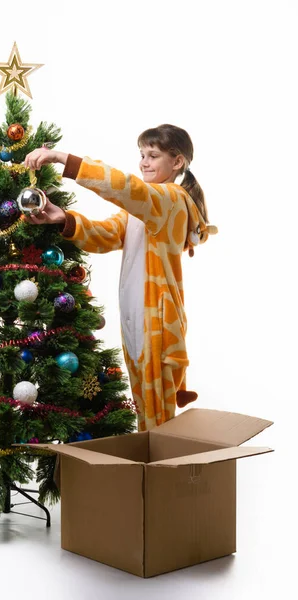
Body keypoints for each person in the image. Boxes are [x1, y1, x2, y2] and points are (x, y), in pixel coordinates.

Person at [23, 124, 217, 431]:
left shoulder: (170, 199)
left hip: (157, 322)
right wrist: (64, 219)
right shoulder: (142, 210)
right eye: (142, 155)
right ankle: (152, 469)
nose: (144, 162)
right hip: (136, 317)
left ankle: (164, 473)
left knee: (157, 415)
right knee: (145, 408)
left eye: (153, 155)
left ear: (177, 162)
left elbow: (127, 188)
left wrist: (64, 159)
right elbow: (104, 236)